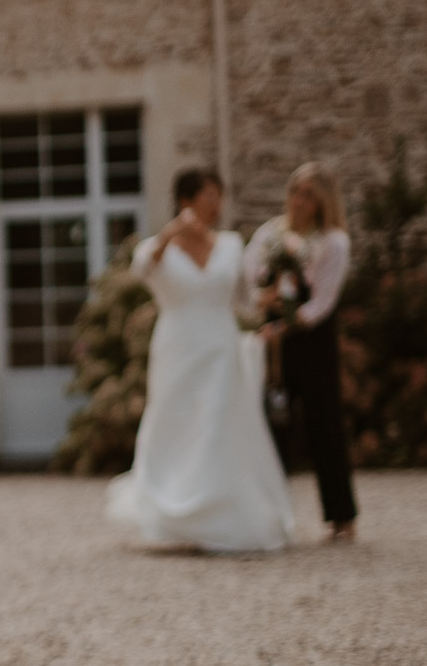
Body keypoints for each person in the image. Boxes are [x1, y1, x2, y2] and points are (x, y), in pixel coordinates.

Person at [106, 169, 295, 552]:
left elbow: (243, 299)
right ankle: (175, 513)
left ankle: (219, 517)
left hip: (220, 345)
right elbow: (141, 271)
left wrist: (274, 298)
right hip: (177, 348)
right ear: (186, 200)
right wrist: (169, 235)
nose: (216, 204)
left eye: (219, 196)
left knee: (217, 424)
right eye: (209, 195)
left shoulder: (229, 245)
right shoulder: (155, 247)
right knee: (177, 426)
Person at [248, 162, 358, 541]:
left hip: (312, 337)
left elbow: (323, 301)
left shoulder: (333, 242)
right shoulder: (269, 235)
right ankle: (270, 516)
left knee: (324, 423)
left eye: (309, 194)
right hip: (272, 337)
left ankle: (341, 516)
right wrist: (262, 309)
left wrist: (288, 325)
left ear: (323, 201)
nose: (299, 201)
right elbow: (248, 279)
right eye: (296, 191)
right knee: (271, 423)